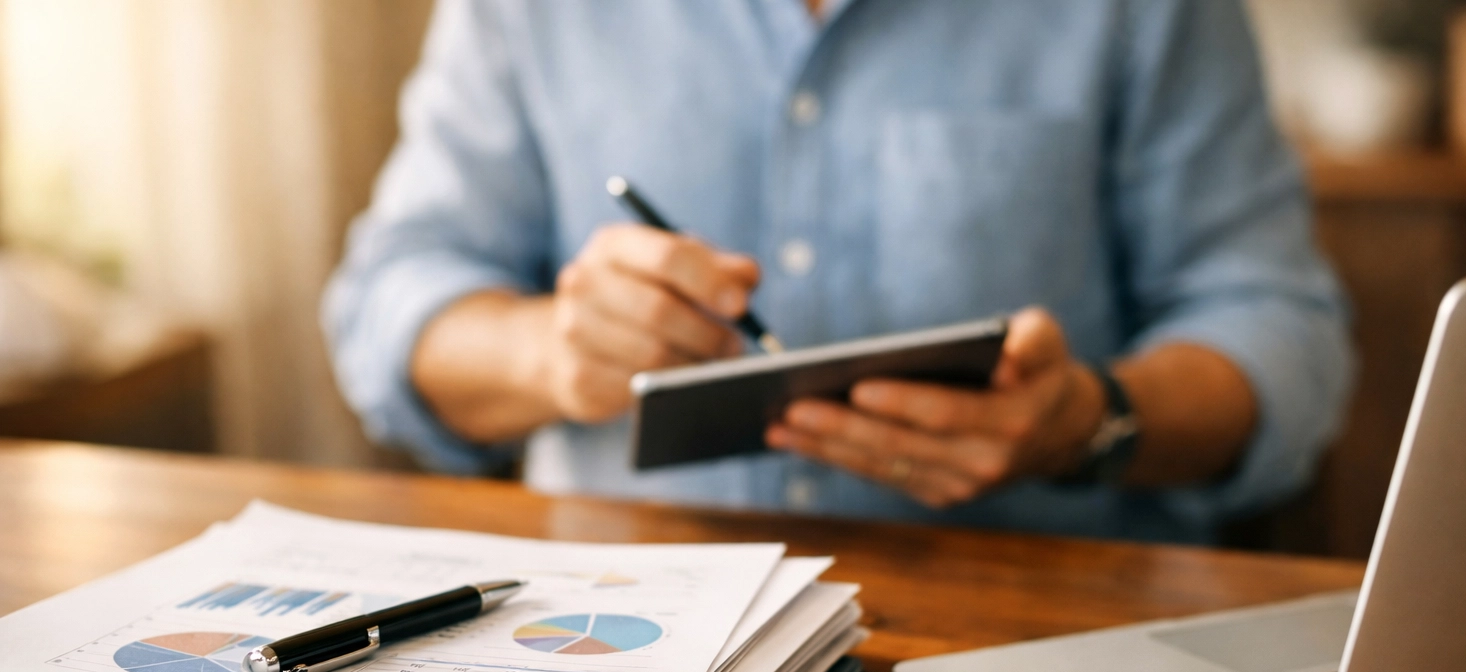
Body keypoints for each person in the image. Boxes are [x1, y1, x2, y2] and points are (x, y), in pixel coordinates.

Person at [324, 0, 1352, 544]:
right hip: (619, 640)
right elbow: (388, 303)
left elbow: (1280, 331)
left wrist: (1089, 422)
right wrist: (545, 350)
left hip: (1022, 646)